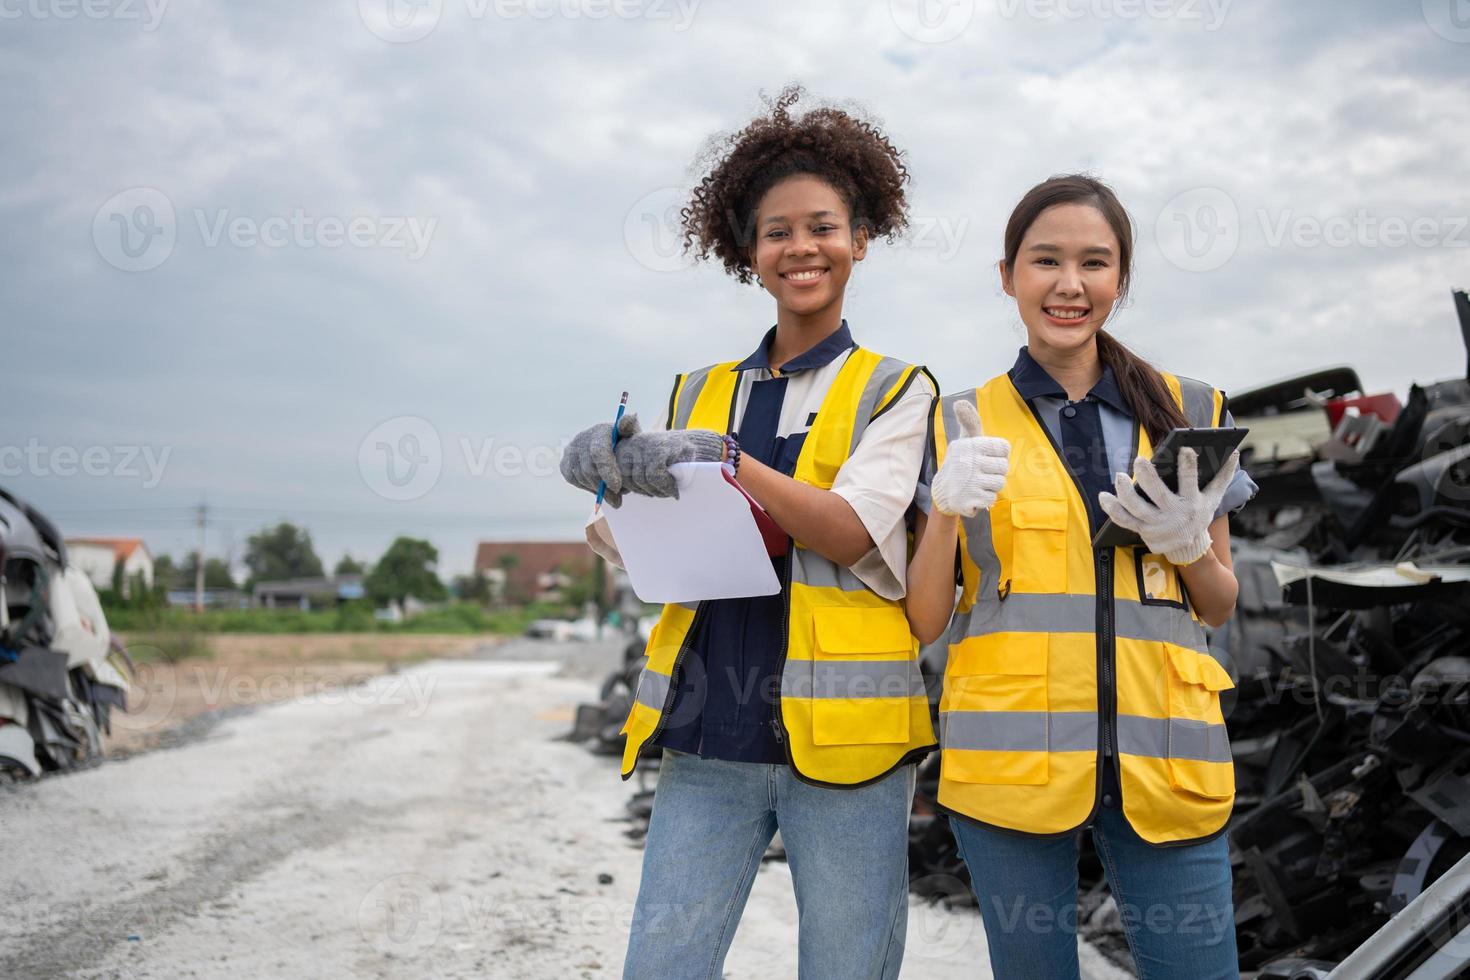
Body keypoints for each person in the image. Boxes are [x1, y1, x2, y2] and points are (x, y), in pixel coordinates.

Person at [559, 87, 937, 979]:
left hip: (849, 749)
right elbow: (653, 550)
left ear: (860, 239)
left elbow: (847, 532)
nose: (801, 248)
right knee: (662, 966)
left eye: (822, 226)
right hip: (708, 732)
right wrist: (612, 483)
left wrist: (724, 459)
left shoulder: (897, 388)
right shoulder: (696, 390)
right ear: (747, 252)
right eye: (776, 232)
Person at [903, 174, 1256, 979]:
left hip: (1167, 752)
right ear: (1007, 276)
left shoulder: (1189, 406)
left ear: (1120, 279)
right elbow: (926, 619)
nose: (1070, 284)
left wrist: (1191, 543)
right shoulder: (956, 420)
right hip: (1011, 761)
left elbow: (1220, 603)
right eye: (1045, 261)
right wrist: (948, 508)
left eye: (1094, 263)